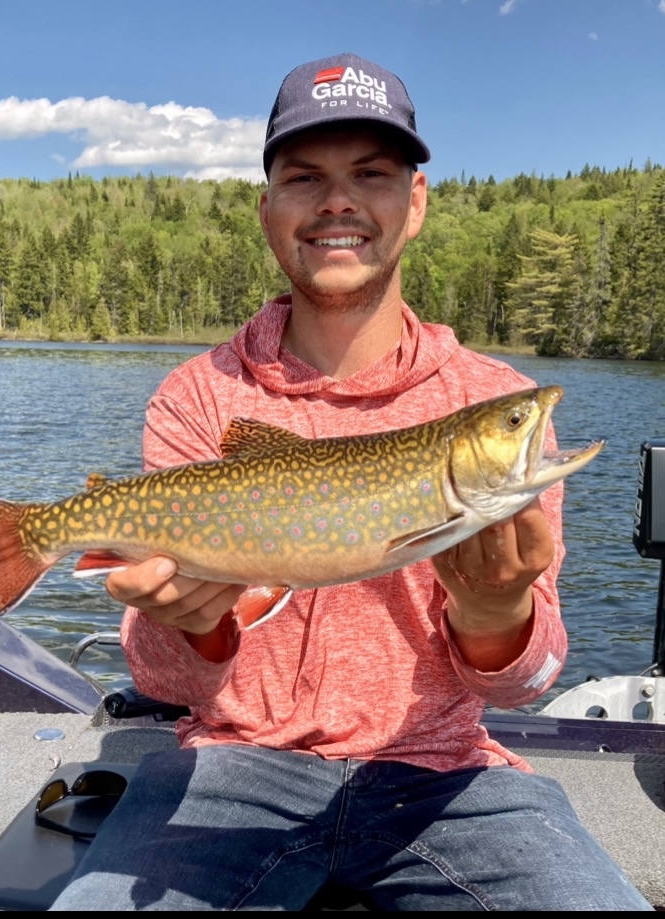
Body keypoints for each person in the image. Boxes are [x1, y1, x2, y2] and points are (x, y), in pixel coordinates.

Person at [51, 53, 651, 911]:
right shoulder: (196, 398)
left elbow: (528, 681)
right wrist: (194, 628)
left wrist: (495, 616)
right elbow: (169, 682)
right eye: (304, 177)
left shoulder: (493, 401)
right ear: (267, 211)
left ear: (417, 201)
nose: (337, 200)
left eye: (370, 173)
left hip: (446, 777)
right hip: (228, 767)